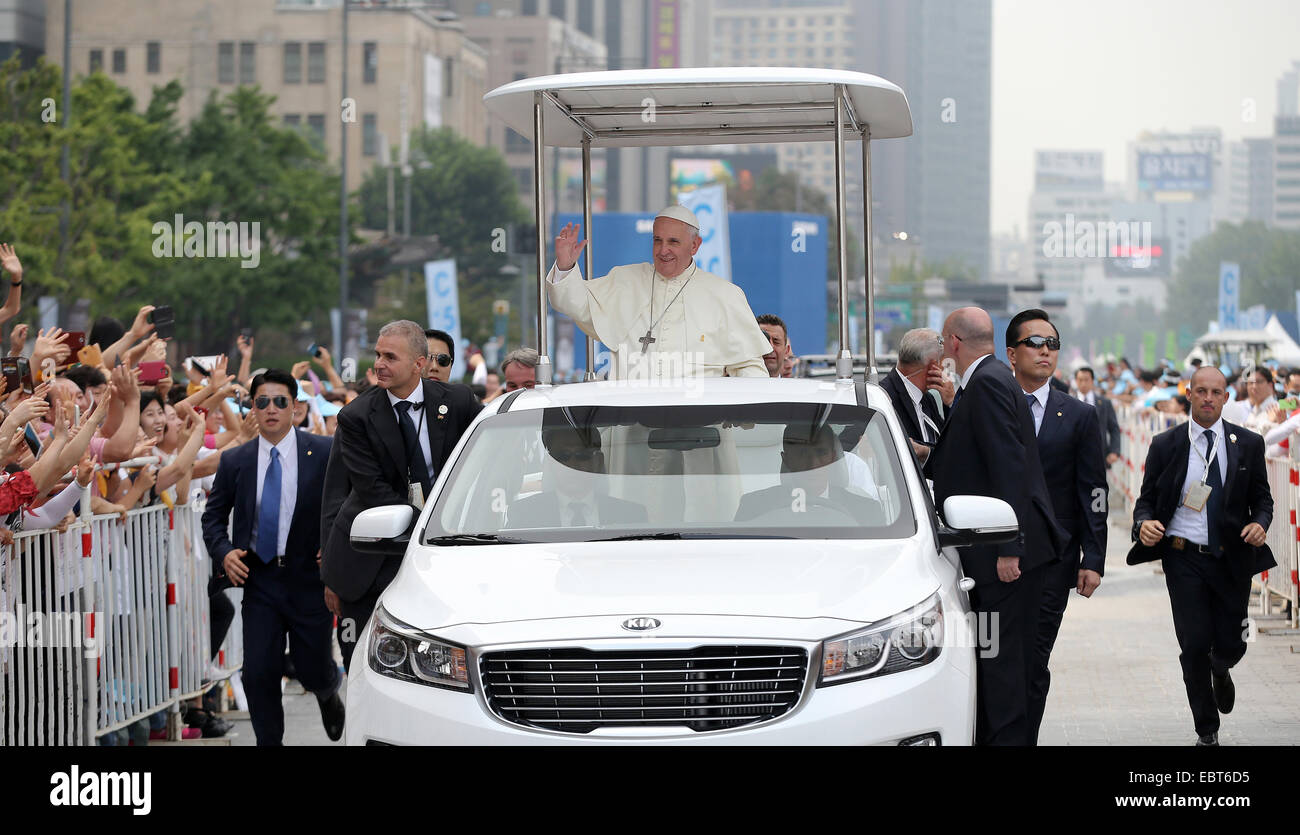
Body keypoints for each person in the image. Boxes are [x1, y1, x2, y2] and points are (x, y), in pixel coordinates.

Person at [923, 307, 1065, 746]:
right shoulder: (990, 380)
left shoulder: (986, 384)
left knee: (1004, 672)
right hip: (1003, 550)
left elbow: (1010, 468)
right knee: (1004, 668)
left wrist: (1010, 546)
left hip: (1006, 558)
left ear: (953, 343)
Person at [320, 320, 482, 672]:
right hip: (373, 556)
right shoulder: (356, 417)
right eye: (378, 355)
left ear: (419, 364)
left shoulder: (457, 403)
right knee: (365, 665)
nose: (379, 364)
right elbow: (371, 490)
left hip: (447, 556)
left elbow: (485, 463)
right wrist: (432, 525)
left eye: (390, 357)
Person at [1128, 366, 1273, 746]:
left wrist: (1260, 523)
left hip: (1232, 558)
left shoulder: (1249, 443)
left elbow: (1263, 500)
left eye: (1216, 392)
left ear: (1227, 398)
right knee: (1192, 644)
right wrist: (1144, 523)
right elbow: (1145, 501)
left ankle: (1221, 668)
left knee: (1234, 641)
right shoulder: (1166, 444)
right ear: (1189, 394)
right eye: (1201, 391)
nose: (1209, 398)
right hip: (1183, 557)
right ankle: (1206, 731)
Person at [201, 369, 343, 745]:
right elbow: (213, 518)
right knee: (258, 672)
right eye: (262, 401)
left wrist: (331, 545)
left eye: (281, 401)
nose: (271, 409)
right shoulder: (236, 462)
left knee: (311, 666)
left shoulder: (324, 452)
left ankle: (328, 690)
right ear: (252, 408)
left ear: (295, 407)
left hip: (308, 578)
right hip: (260, 579)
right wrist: (224, 552)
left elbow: (346, 506)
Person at [1004, 310, 1107, 745]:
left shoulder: (1079, 416)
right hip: (996, 557)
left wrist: (1095, 558)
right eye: (1035, 343)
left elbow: (1094, 492)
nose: (1046, 351)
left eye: (1053, 344)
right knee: (999, 657)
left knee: (1034, 657)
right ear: (1012, 353)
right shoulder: (990, 404)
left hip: (1055, 558)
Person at [547, 206, 770, 379]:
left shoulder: (725, 295)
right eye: (657, 240)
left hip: (702, 428)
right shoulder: (625, 281)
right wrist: (565, 266)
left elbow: (750, 369)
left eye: (673, 242)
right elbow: (575, 303)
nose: (663, 250)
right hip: (632, 423)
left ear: (695, 245)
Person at [505, 417, 647, 529]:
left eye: (582, 455)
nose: (572, 465)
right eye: (562, 456)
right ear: (550, 464)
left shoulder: (632, 516)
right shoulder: (522, 514)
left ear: (598, 461)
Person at [879, 328, 949, 449]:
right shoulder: (883, 397)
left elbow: (949, 446)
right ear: (933, 366)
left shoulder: (928, 399)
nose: (946, 369)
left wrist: (950, 403)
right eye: (944, 363)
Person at [1074, 366, 1121, 468]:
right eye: (1080, 380)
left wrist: (1115, 451)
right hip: (1074, 457)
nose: (1083, 383)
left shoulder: (1104, 403)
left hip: (1100, 456)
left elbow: (1114, 428)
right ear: (1076, 381)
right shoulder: (1068, 402)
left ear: (1092, 381)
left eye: (1086, 380)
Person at [1222, 366, 1276, 436]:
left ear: (1270, 385)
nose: (1254, 386)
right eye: (1250, 383)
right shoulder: (1253, 411)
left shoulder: (1277, 410)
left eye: (1259, 382)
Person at [756, 314, 789, 378]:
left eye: (776, 342)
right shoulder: (735, 386)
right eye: (764, 341)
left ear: (786, 351)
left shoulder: (796, 387)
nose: (770, 347)